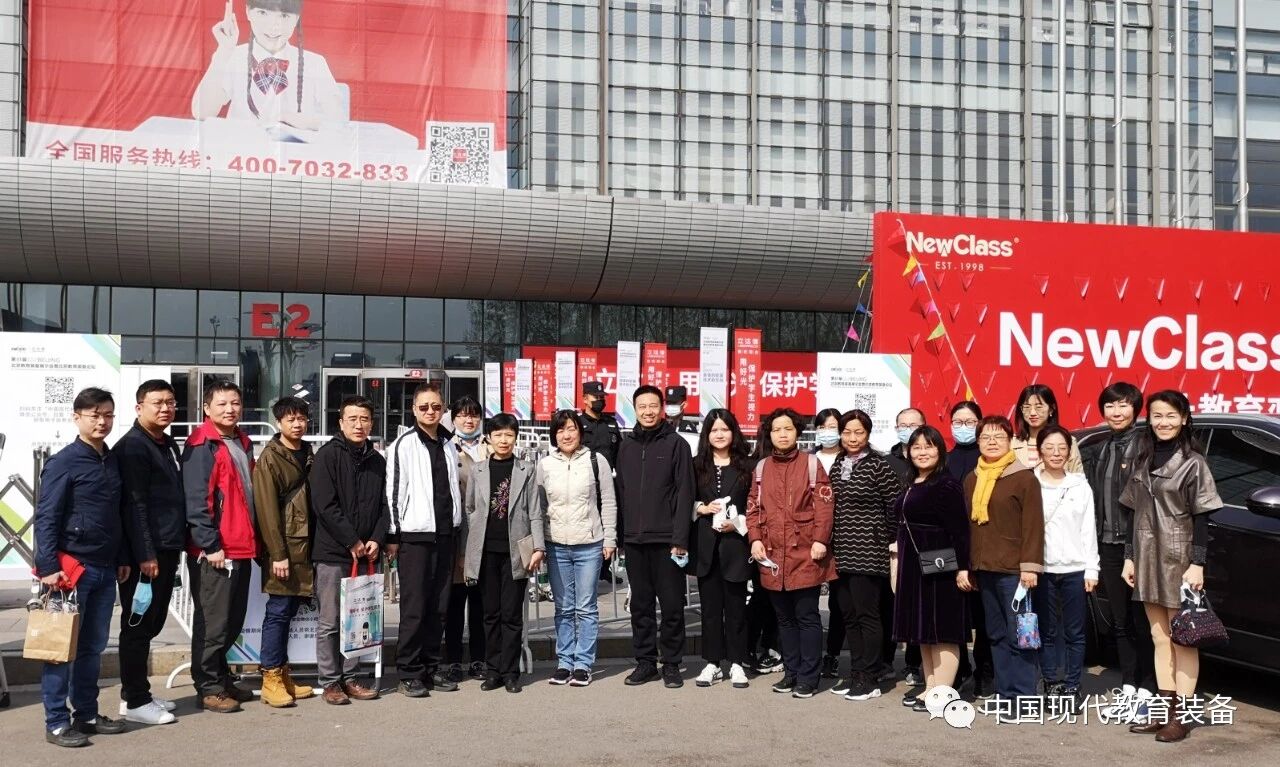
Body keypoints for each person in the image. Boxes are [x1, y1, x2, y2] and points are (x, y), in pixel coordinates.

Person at [1121, 390, 1222, 743]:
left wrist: (1198, 563)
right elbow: (1132, 513)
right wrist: (1129, 557)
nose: (1163, 422)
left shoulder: (1194, 463)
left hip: (1179, 560)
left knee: (1184, 640)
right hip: (1147, 558)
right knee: (1159, 637)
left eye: (1170, 415)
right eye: (1157, 415)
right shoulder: (1142, 458)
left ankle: (1183, 717)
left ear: (1184, 419)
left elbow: (1202, 517)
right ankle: (1164, 713)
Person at [34, 388, 129, 748]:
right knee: (60, 649)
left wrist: (121, 558)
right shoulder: (64, 462)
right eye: (94, 415)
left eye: (108, 414)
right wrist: (47, 566)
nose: (102, 421)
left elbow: (117, 515)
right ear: (77, 418)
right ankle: (57, 723)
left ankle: (86, 714)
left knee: (92, 647)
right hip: (68, 572)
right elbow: (46, 516)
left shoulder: (112, 459)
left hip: (104, 569)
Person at [747, 407, 836, 699]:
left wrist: (821, 540)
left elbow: (824, 506)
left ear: (797, 431)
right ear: (769, 434)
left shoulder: (811, 464)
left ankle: (809, 677)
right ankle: (792, 672)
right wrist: (754, 539)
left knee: (807, 616)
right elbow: (753, 508)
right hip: (772, 554)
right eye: (776, 429)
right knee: (784, 618)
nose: (782, 434)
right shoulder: (762, 468)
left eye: (787, 428)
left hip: (805, 552)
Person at [1081, 381, 1157, 718]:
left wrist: (1133, 549)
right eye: (1110, 405)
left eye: (1123, 405)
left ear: (1136, 409)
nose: (1116, 411)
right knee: (1120, 619)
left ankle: (1149, 687)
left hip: (1140, 546)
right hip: (1107, 546)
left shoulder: (1147, 447)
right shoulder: (1100, 449)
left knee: (1144, 620)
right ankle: (1128, 684)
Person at [182, 380, 258, 714]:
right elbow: (197, 501)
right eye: (222, 403)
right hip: (216, 551)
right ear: (206, 408)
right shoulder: (202, 444)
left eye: (235, 403)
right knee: (213, 624)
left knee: (232, 621)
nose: (230, 409)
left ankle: (222, 678)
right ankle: (208, 686)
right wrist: (210, 544)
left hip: (241, 546)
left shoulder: (241, 440)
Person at [385, 384, 464, 697]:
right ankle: (408, 671)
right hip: (415, 536)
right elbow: (393, 492)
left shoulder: (448, 443)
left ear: (443, 409)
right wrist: (393, 534)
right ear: (414, 410)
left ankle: (431, 667)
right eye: (424, 407)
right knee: (415, 607)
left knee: (439, 606)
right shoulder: (403, 444)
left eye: (436, 407)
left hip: (446, 533)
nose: (430, 412)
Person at [615, 385, 696, 688]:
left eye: (653, 406)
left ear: (662, 408)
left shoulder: (677, 444)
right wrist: (621, 537)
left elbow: (685, 493)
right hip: (634, 541)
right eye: (642, 407)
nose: (648, 412)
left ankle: (672, 664)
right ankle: (645, 662)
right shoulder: (626, 446)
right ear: (634, 409)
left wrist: (680, 539)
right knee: (641, 606)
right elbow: (621, 492)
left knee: (672, 605)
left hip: (667, 541)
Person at [310, 395, 389, 705]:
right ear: (341, 422)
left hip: (367, 553)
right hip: (333, 553)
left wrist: (376, 538)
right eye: (352, 419)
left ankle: (351, 677)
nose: (359, 425)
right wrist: (351, 540)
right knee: (330, 621)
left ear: (371, 423)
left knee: (358, 619)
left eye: (364, 419)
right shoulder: (327, 456)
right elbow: (324, 505)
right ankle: (330, 681)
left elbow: (385, 506)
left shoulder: (377, 460)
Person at [114, 380, 184, 725]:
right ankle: (136, 700)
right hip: (146, 554)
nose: (165, 408)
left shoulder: (166, 443)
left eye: (170, 402)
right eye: (157, 403)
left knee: (152, 622)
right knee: (138, 625)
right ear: (139, 407)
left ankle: (135, 693)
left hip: (166, 546)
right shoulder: (132, 447)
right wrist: (145, 553)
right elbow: (134, 505)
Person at [964, 415, 1045, 705]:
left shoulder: (1023, 477)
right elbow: (968, 527)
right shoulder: (972, 478)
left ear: (1010, 440)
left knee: (1020, 634)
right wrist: (968, 567)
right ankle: (1005, 691)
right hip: (985, 569)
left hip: (1015, 572)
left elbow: (1034, 526)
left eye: (999, 436)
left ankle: (1024, 696)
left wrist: (1030, 567)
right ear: (978, 442)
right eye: (986, 437)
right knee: (995, 634)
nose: (992, 442)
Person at [462, 414, 545, 693]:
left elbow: (535, 511)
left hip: (516, 552)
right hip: (485, 552)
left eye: (509, 434)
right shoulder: (478, 470)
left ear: (516, 437)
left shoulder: (526, 469)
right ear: (489, 437)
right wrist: (468, 549)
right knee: (491, 614)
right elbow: (470, 509)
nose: (503, 440)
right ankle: (493, 670)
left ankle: (510, 672)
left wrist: (538, 547)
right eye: (498, 434)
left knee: (511, 615)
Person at [891, 426, 971, 713]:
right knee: (923, 631)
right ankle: (931, 686)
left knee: (943, 630)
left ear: (940, 450)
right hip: (914, 565)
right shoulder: (913, 482)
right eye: (917, 447)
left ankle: (944, 692)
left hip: (940, 564)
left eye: (929, 446)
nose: (922, 452)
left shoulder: (946, 485)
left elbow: (960, 531)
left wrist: (962, 568)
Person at [826, 410, 903, 701]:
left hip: (869, 552)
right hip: (841, 551)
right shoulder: (838, 464)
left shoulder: (878, 465)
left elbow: (895, 506)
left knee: (868, 615)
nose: (852, 438)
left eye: (858, 432)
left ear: (868, 434)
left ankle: (871, 676)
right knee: (848, 614)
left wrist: (887, 540)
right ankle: (857, 672)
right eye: (847, 432)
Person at [539, 410, 617, 686]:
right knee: (563, 607)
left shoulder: (596, 461)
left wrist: (610, 538)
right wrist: (539, 544)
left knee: (586, 607)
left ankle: (583, 663)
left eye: (571, 428)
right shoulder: (545, 465)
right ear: (554, 435)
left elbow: (609, 501)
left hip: (589, 544)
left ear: (580, 432)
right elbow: (539, 507)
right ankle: (564, 662)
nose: (566, 435)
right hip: (556, 545)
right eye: (560, 430)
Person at [251, 396, 315, 708]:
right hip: (285, 547)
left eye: (301, 418)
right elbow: (266, 511)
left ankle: (284, 674)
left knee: (288, 611)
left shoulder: (307, 451)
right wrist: (277, 554)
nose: (297, 424)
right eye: (291, 419)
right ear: (279, 423)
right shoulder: (270, 458)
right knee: (278, 611)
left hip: (304, 543)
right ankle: (270, 678)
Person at [192, 0, 343, 131]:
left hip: (295, 151)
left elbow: (339, 121)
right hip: (240, 149)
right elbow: (201, 113)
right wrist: (224, 51)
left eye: (284, 16)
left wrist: (304, 121)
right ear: (248, 12)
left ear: (296, 19)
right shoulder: (231, 56)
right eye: (263, 13)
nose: (273, 26)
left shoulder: (315, 63)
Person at [691, 409, 755, 689]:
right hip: (706, 546)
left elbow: (756, 504)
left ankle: (737, 662)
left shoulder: (748, 466)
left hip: (736, 546)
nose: (719, 434)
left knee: (737, 608)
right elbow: (684, 498)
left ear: (733, 432)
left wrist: (738, 523)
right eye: (714, 430)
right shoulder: (696, 465)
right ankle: (712, 663)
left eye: (724, 429)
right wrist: (700, 508)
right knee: (710, 609)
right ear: (706, 434)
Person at [1034, 426, 1098, 701]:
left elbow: (1088, 529)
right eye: (1049, 447)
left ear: (1070, 452)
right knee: (1046, 631)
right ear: (1040, 451)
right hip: (1042, 570)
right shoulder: (1030, 483)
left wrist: (1091, 568)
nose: (1056, 453)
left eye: (1062, 447)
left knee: (1075, 632)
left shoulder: (1080, 485)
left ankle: (1072, 684)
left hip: (1075, 569)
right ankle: (1050, 681)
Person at [945, 399, 992, 695]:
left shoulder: (988, 460)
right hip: (947, 549)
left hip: (981, 547)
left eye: (970, 422)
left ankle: (985, 671)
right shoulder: (944, 459)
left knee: (984, 615)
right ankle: (958, 670)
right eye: (958, 422)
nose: (963, 427)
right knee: (952, 614)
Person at [445, 396, 489, 684]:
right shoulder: (446, 447)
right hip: (456, 533)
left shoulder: (490, 446)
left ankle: (478, 658)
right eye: (462, 415)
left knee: (480, 603)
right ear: (454, 419)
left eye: (473, 415)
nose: (468, 420)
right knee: (454, 602)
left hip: (485, 533)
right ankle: (452, 660)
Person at [887, 407, 925, 688]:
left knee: (918, 605)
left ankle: (914, 663)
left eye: (913, 425)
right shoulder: (886, 462)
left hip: (923, 544)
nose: (908, 429)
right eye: (903, 425)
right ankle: (886, 662)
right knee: (890, 604)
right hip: (893, 544)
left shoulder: (933, 460)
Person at [810, 407, 845, 679]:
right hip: (812, 539)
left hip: (843, 539)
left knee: (839, 603)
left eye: (832, 427)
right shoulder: (809, 460)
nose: (827, 432)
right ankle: (808, 657)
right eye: (822, 427)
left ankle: (832, 654)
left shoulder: (849, 459)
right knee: (808, 601)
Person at [1011, 384, 1083, 471]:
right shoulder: (1010, 443)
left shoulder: (1068, 442)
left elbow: (1078, 476)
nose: (1032, 413)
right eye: (1027, 407)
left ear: (1051, 409)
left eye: (1039, 407)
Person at [579, 381, 623, 470]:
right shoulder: (578, 423)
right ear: (585, 399)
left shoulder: (611, 423)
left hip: (609, 474)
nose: (599, 400)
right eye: (596, 397)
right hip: (585, 474)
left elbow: (620, 452)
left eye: (602, 397)